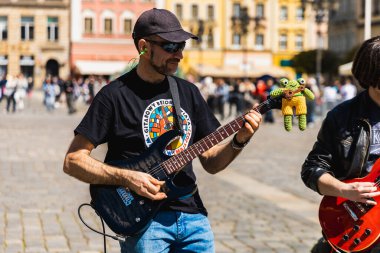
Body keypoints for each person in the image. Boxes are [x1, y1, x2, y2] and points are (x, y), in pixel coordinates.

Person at [63, 8, 262, 253]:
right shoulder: (113, 96)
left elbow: (210, 162)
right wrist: (127, 177)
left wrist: (238, 141)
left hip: (194, 219)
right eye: (170, 46)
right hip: (145, 224)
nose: (179, 54)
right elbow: (73, 161)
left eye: (182, 46)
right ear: (144, 46)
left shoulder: (188, 92)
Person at [301, 36, 380, 253]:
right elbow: (312, 170)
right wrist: (345, 190)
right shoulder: (342, 116)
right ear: (372, 75)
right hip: (358, 222)